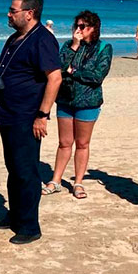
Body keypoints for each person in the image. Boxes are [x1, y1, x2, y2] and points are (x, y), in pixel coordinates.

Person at [0, 0, 61, 245]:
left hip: (27, 115)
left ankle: (30, 226)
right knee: (14, 168)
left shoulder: (42, 39)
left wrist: (42, 115)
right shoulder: (15, 37)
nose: (9, 14)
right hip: (7, 112)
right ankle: (16, 215)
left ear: (29, 13)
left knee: (26, 171)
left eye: (13, 10)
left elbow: (55, 78)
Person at [43, 11, 113, 199]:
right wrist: (74, 46)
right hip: (65, 99)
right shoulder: (68, 45)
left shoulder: (103, 48)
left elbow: (98, 76)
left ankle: (78, 182)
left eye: (83, 26)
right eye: (76, 26)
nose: (78, 30)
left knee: (82, 143)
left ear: (93, 28)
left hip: (88, 101)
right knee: (64, 142)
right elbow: (58, 68)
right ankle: (56, 180)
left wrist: (73, 71)